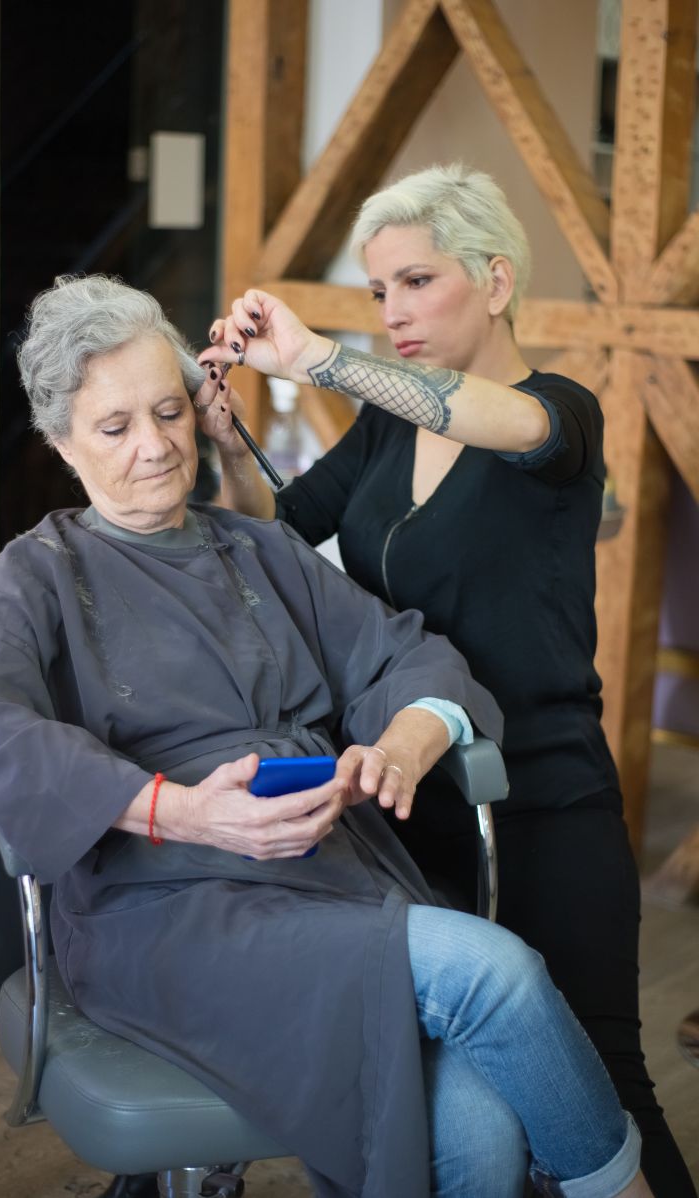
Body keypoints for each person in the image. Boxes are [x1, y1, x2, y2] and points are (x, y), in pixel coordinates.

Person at [0, 273, 654, 1198]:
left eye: (168, 412)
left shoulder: (257, 551)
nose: (155, 448)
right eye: (115, 429)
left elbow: (411, 656)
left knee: (481, 1119)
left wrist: (402, 744)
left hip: (329, 871)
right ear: (62, 442)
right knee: (496, 973)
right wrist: (183, 812)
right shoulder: (30, 580)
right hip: (166, 909)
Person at [197, 164, 696, 1198]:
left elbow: (495, 422)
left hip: (544, 799)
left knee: (604, 1082)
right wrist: (224, 445)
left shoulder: (559, 413)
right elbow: (275, 544)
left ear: (497, 281)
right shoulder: (386, 427)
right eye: (381, 292)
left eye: (417, 281)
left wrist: (322, 358)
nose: (395, 313)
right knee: (464, 1095)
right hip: (409, 805)